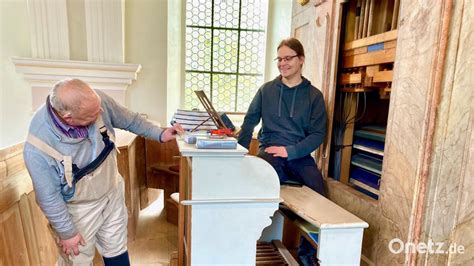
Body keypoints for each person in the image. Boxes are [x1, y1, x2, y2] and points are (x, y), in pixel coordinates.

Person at [23, 79, 183, 266]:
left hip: (112, 191)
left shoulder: (96, 101)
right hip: (78, 209)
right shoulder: (37, 147)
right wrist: (67, 233)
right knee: (77, 261)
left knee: (116, 247)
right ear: (68, 117)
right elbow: (48, 197)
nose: (100, 113)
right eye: (93, 114)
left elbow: (130, 119)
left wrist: (160, 134)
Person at [237, 38, 327, 266]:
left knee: (320, 197)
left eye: (288, 58)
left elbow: (317, 134)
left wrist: (291, 151)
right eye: (280, 59)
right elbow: (249, 122)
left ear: (301, 60)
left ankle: (307, 255)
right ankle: (242, 247)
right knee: (255, 191)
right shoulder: (266, 90)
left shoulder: (314, 96)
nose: (282, 63)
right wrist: (239, 152)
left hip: (299, 156)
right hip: (269, 154)